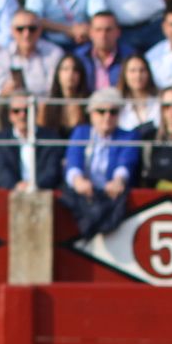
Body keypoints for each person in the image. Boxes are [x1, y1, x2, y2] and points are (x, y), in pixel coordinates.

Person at [61, 86, 136, 236]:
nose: (107, 116)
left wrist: (118, 180)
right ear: (91, 114)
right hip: (83, 196)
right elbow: (73, 160)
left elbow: (126, 163)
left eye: (113, 112)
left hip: (110, 197)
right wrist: (78, 180)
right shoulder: (81, 132)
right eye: (101, 111)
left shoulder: (128, 136)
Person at [0, 7, 60, 95]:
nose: (26, 34)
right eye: (20, 29)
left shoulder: (54, 53)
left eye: (32, 29)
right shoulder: (2, 56)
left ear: (40, 29)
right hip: (12, 106)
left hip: (46, 106)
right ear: (12, 31)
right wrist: (6, 91)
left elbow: (54, 91)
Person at [115, 52, 158, 129]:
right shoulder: (117, 104)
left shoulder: (158, 101)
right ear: (125, 74)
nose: (138, 75)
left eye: (142, 70)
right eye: (132, 71)